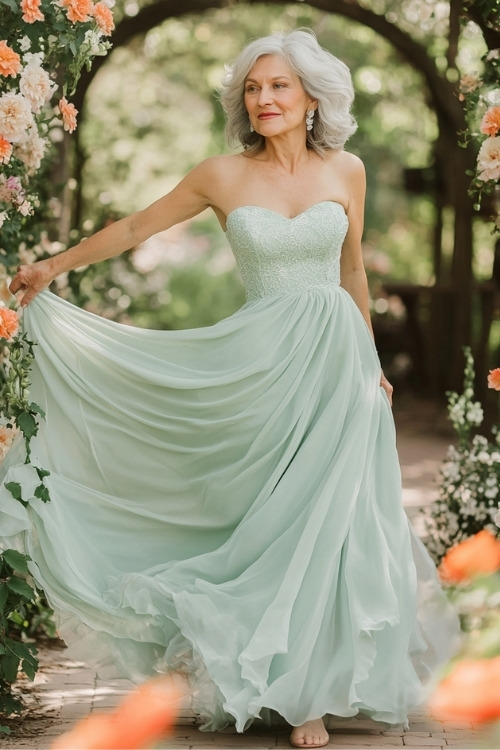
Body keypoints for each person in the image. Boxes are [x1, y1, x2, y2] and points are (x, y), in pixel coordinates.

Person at [3, 29, 457, 749]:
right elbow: (135, 227)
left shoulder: (348, 170)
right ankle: (270, 667)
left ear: (311, 97)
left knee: (330, 520)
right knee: (273, 518)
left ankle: (311, 692)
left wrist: (369, 357)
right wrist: (53, 266)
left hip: (339, 359)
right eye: (253, 87)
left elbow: (352, 272)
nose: (264, 98)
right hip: (262, 363)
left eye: (278, 85)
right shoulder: (221, 174)